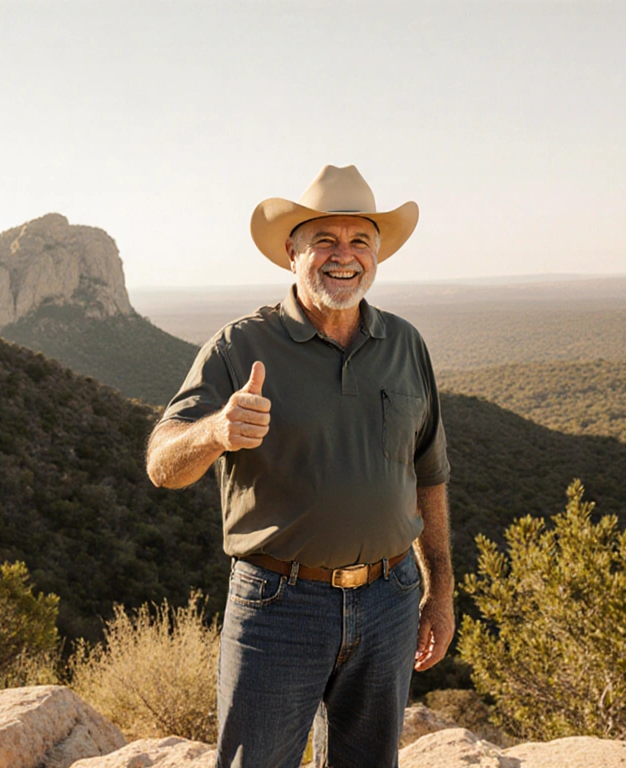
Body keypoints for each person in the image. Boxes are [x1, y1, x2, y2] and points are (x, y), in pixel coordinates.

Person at [146, 165, 453, 768]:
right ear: (292, 253)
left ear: (377, 252)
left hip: (391, 601)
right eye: (325, 242)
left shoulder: (405, 345)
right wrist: (216, 431)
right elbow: (162, 463)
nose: (345, 257)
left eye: (359, 240)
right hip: (278, 608)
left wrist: (439, 593)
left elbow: (429, 475)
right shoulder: (240, 346)